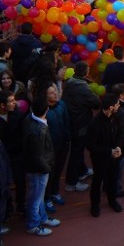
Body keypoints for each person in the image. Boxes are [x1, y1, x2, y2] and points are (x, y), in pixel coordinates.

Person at [22, 85, 60, 236]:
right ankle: (33, 225)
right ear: (46, 110)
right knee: (35, 199)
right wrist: (47, 168)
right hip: (39, 170)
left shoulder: (29, 120)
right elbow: (37, 156)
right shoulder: (38, 129)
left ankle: (42, 218)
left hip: (37, 167)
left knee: (38, 197)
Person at [86, 93, 124, 217]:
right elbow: (90, 145)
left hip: (114, 157)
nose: (119, 106)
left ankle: (112, 200)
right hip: (100, 159)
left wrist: (118, 147)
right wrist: (109, 151)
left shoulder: (116, 117)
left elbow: (121, 133)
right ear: (111, 107)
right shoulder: (95, 124)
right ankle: (95, 205)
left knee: (113, 179)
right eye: (117, 104)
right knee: (97, 181)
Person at [62, 61, 100, 192]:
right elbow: (96, 104)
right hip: (81, 123)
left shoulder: (68, 84)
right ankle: (71, 182)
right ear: (86, 72)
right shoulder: (83, 88)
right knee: (77, 151)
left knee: (78, 148)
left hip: (71, 120)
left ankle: (82, 170)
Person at [43, 82, 70, 213]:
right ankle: (47, 198)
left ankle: (54, 192)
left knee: (58, 171)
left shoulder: (62, 105)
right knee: (50, 174)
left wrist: (67, 138)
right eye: (52, 92)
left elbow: (67, 122)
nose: (55, 93)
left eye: (55, 91)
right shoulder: (43, 110)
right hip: (50, 149)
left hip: (63, 145)